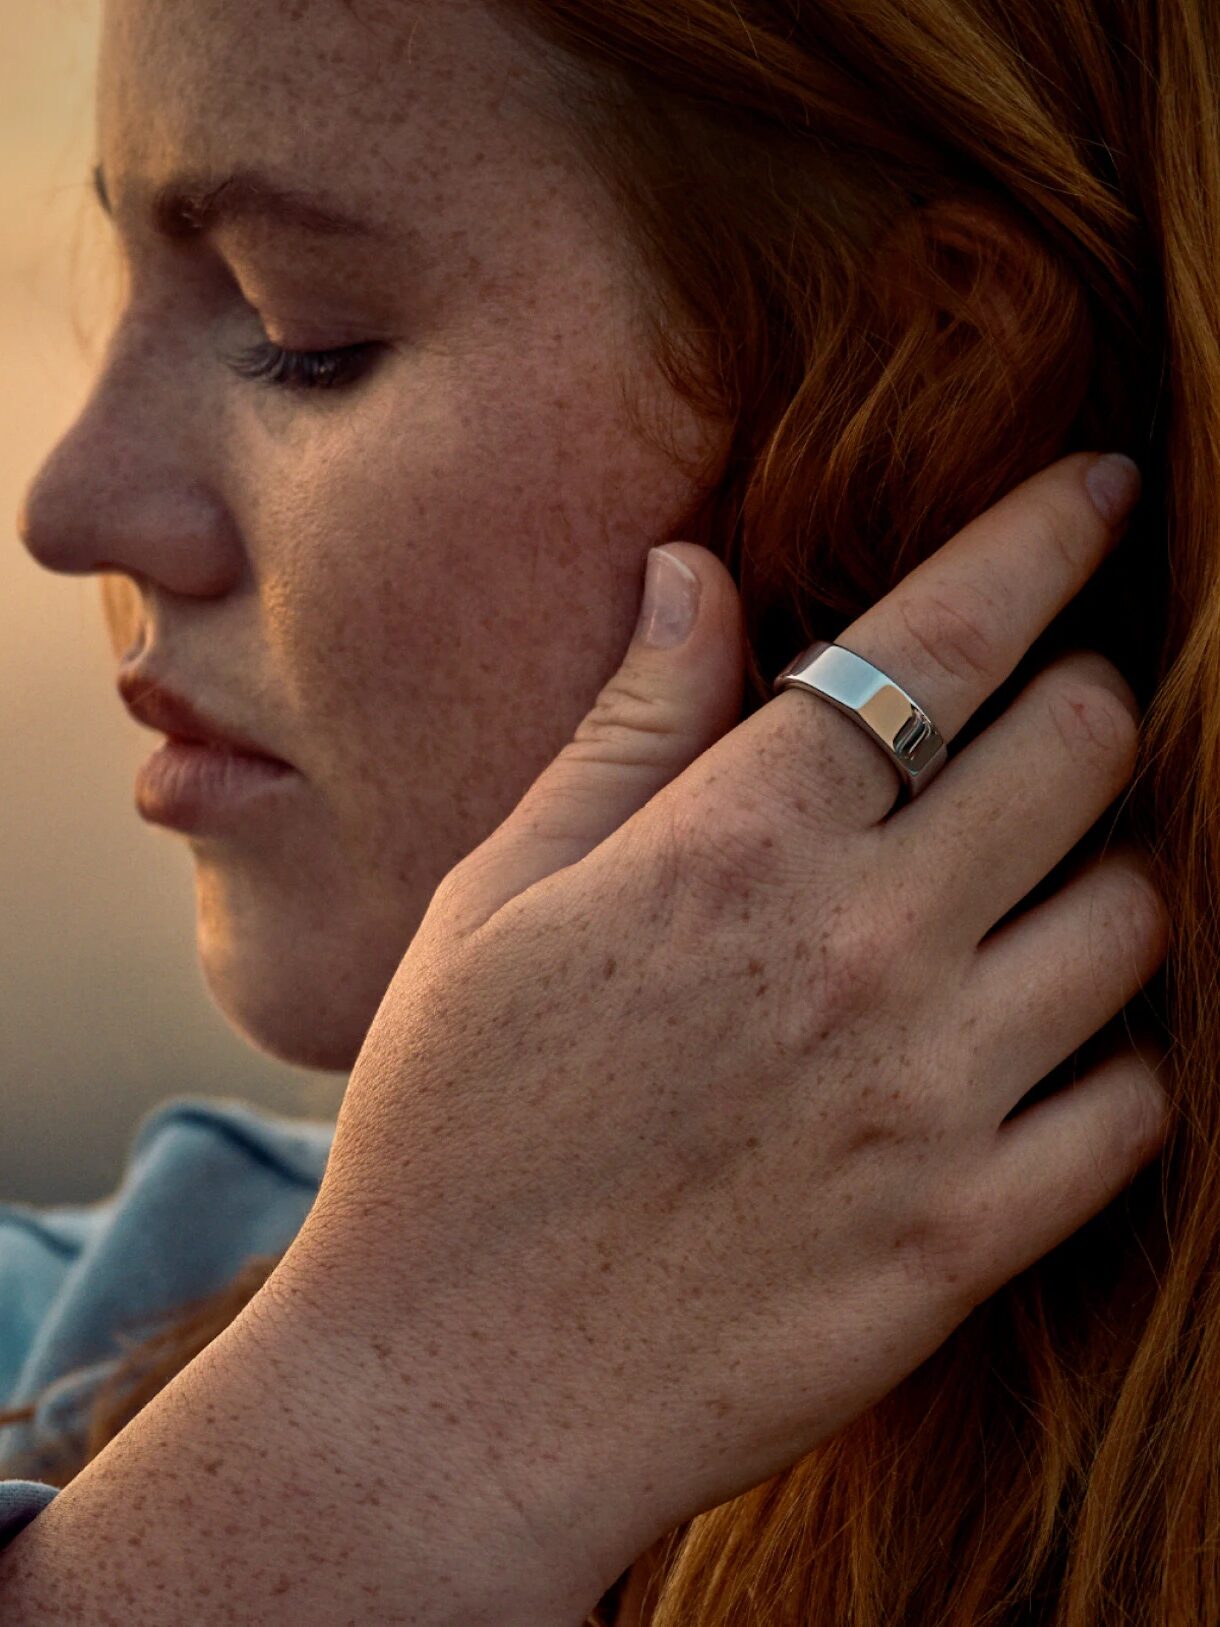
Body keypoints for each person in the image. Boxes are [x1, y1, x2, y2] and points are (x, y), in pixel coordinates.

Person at [0, 0, 1209, 1621]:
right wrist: (378, 1434)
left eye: (301, 334)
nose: (71, 509)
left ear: (935, 385)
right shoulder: (73, 1340)